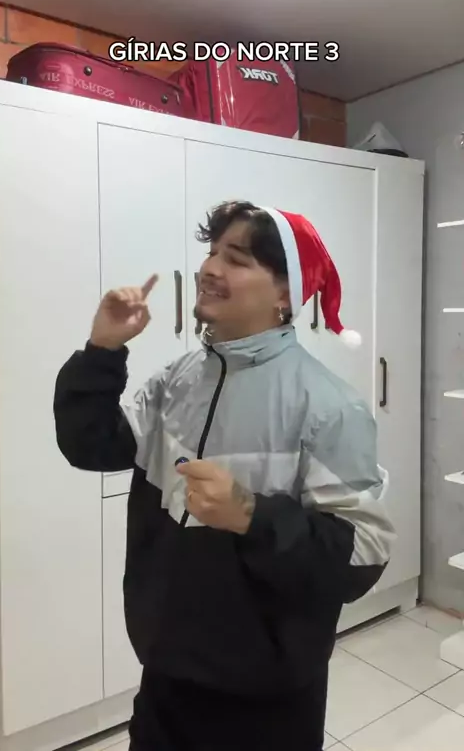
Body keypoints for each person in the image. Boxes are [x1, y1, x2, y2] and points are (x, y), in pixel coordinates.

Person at [53, 200, 394, 751]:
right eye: (212, 252)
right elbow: (91, 445)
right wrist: (103, 349)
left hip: (266, 698)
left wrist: (253, 515)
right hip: (165, 671)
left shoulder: (329, 407)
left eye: (236, 259)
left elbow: (363, 557)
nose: (210, 268)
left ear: (285, 293)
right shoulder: (178, 379)